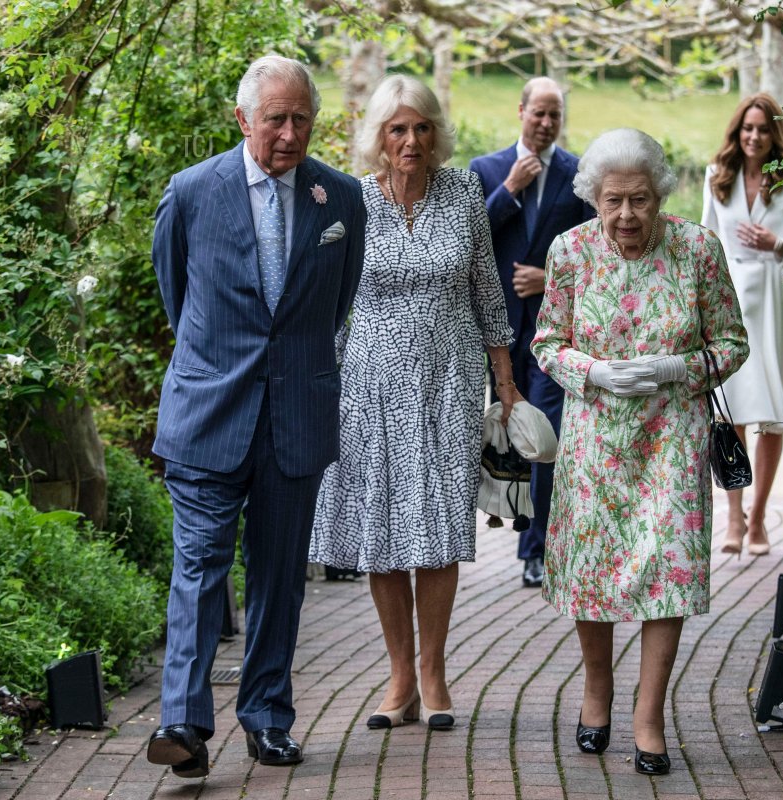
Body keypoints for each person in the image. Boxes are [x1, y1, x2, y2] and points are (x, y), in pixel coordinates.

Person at [145, 56, 365, 777]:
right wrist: (220, 365)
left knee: (278, 577)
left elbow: (336, 305)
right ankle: (183, 719)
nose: (290, 132)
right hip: (210, 413)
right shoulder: (190, 193)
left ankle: (267, 718)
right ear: (243, 119)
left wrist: (292, 368)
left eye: (302, 118)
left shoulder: (342, 200)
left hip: (295, 414)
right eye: (276, 118)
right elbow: (178, 297)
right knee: (200, 567)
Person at [531, 128, 748, 775]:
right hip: (596, 442)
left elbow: (733, 343)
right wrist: (593, 371)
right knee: (594, 573)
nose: (627, 215)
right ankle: (597, 692)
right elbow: (546, 343)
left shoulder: (696, 251)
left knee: (669, 573)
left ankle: (648, 716)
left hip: (672, 443)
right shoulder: (569, 252)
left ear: (661, 196)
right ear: (594, 197)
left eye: (641, 199)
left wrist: (677, 367)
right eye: (614, 200)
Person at [310, 75, 519, 732]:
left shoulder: (463, 192)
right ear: (379, 135)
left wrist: (505, 379)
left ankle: (434, 672)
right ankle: (400, 674)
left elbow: (488, 288)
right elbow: (326, 296)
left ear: (437, 134)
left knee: (435, 526)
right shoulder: (350, 198)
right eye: (398, 129)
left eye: (422, 128)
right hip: (367, 387)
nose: (411, 140)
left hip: (449, 384)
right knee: (381, 530)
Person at [469, 78, 595, 589]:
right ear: (520, 110)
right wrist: (511, 190)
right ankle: (508, 530)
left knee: (544, 438)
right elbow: (471, 237)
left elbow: (593, 249)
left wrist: (550, 278)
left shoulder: (579, 172)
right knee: (506, 438)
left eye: (554, 116)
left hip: (552, 333)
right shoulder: (487, 170)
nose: (545, 123)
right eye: (538, 113)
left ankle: (535, 550)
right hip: (496, 332)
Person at [701, 92, 783, 557]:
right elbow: (705, 243)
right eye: (746, 128)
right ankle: (733, 518)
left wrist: (779, 244)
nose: (753, 137)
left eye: (761, 129)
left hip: (776, 305)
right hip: (730, 304)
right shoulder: (718, 177)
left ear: (775, 134)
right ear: (737, 132)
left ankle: (758, 519)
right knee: (730, 413)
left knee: (771, 417)